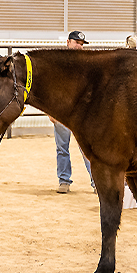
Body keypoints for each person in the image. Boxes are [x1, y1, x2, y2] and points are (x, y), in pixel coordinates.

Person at [52, 30, 95, 194]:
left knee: (87, 150)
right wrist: (51, 112)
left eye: (82, 44)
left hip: (81, 114)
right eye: (77, 42)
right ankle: (64, 181)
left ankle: (96, 181)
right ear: (68, 42)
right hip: (62, 112)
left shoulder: (86, 64)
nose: (80, 46)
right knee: (62, 148)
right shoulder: (57, 63)